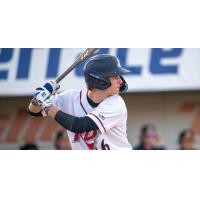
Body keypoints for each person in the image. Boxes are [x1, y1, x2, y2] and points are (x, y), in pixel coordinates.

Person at [27, 54, 132, 150]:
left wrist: (46, 104)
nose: (121, 81)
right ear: (100, 80)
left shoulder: (116, 104)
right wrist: (37, 99)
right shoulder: (71, 97)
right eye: (115, 77)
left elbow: (79, 125)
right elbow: (34, 111)